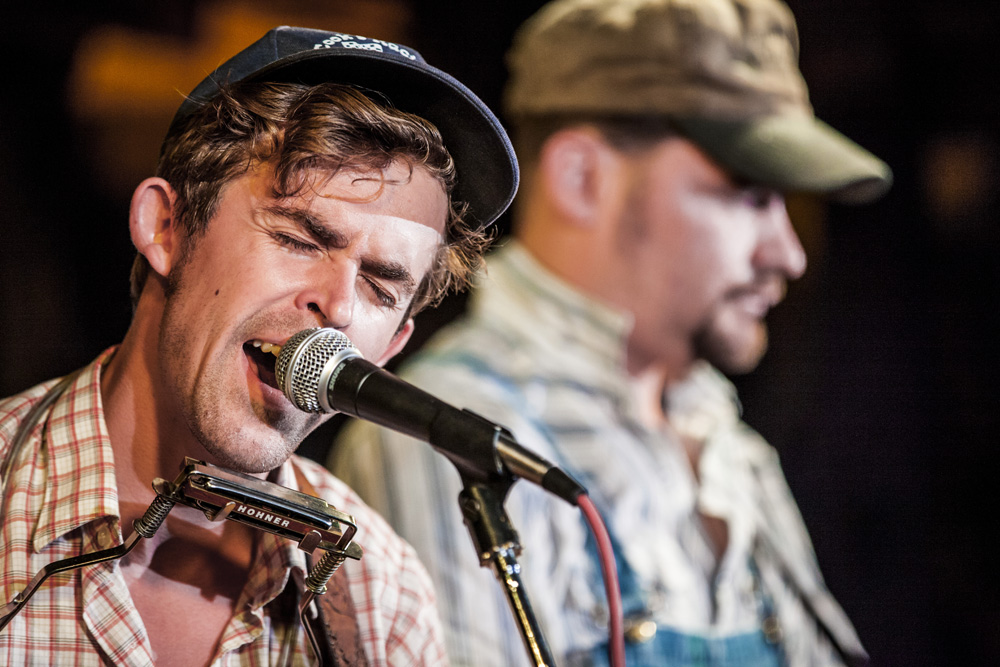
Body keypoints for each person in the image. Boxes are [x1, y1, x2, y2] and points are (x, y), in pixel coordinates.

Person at [329, 1, 891, 666]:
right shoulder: (442, 442)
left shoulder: (731, 452)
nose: (787, 252)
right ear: (581, 178)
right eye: (749, 194)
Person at [0, 26, 517, 666]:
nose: (340, 305)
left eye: (382, 288)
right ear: (166, 227)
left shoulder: (383, 595)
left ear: (392, 348)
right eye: (300, 239)